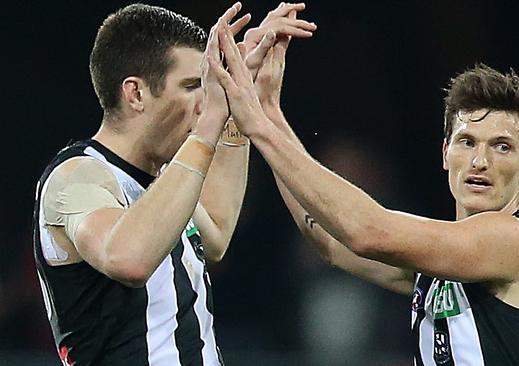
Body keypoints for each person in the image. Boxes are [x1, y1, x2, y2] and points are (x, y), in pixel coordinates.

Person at [211, 26, 519, 365]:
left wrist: (258, 126)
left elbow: (367, 232)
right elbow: (330, 243)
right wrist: (270, 112)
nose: (480, 161)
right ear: (445, 152)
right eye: (467, 142)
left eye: (501, 147)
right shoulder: (442, 263)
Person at [32, 2, 316, 365]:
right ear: (135, 94)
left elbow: (216, 233)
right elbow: (128, 258)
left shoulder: (165, 179)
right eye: (191, 86)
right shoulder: (76, 177)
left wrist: (236, 107)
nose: (203, 102)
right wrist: (213, 118)